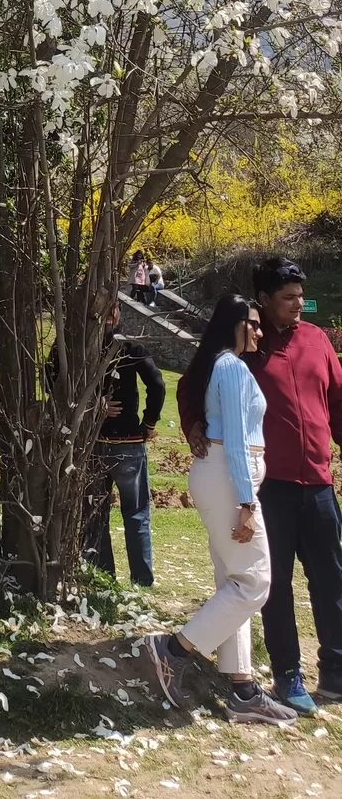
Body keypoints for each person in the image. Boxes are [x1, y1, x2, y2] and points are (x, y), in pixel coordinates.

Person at [178, 257, 342, 714]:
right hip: (269, 487)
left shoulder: (317, 340)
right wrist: (193, 426)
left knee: (332, 578)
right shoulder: (246, 345)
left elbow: (339, 402)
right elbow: (193, 382)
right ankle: (288, 674)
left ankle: (336, 670)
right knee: (275, 584)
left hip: (320, 482)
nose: (296, 306)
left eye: (299, 297)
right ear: (264, 300)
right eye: (286, 298)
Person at [145, 295, 294, 724]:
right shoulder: (230, 367)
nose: (260, 331)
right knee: (255, 582)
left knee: (234, 580)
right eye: (253, 324)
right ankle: (174, 650)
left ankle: (243, 690)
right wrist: (247, 502)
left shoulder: (220, 365)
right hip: (230, 478)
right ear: (235, 325)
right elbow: (233, 440)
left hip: (222, 475)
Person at [81, 302, 165, 587]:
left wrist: (91, 404)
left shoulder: (80, 346)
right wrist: (149, 424)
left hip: (93, 443)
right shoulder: (130, 346)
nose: (110, 314)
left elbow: (52, 376)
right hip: (126, 442)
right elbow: (157, 384)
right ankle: (141, 580)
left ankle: (101, 576)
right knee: (136, 512)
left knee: (94, 511)